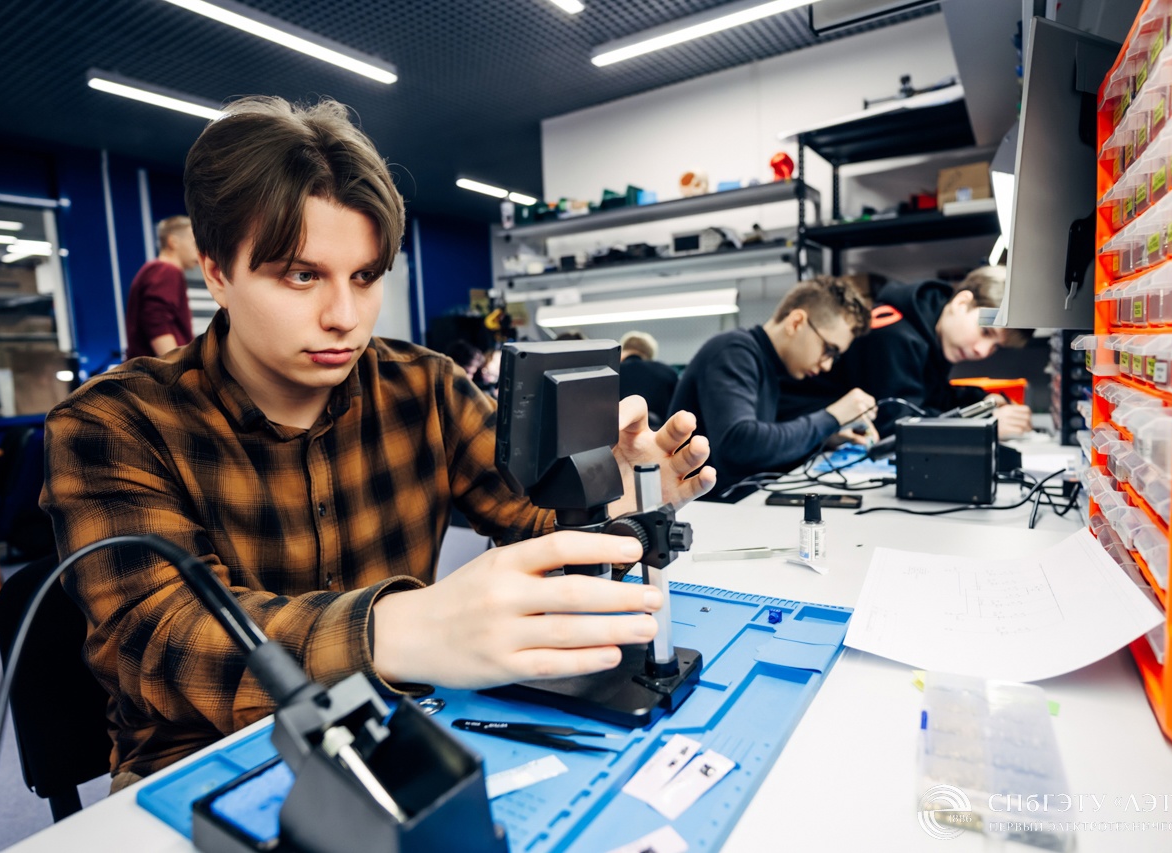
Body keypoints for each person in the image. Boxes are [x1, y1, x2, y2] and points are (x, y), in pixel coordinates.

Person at [41, 96, 716, 789]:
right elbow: (164, 642)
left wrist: (624, 494)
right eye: (301, 275)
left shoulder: (425, 385)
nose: (344, 317)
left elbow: (536, 516)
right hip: (207, 767)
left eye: (365, 277)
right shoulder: (109, 425)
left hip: (401, 727)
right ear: (216, 270)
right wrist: (403, 629)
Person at [668, 277, 876, 497]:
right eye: (829, 350)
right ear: (796, 322)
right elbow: (739, 445)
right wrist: (832, 417)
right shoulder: (733, 351)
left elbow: (766, 444)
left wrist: (826, 437)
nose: (826, 365)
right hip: (705, 514)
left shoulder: (766, 366)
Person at [814, 266, 1033, 438]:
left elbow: (932, 399)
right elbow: (897, 425)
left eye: (996, 346)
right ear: (961, 302)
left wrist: (984, 402)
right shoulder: (894, 333)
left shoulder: (932, 331)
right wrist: (984, 425)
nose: (982, 351)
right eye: (985, 331)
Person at [125, 216, 200, 359]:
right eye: (194, 243)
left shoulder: (155, 270)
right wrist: (178, 368)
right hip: (159, 375)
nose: (198, 250)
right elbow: (156, 321)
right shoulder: (166, 270)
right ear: (173, 242)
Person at [617, 331, 678, 430]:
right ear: (649, 355)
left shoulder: (613, 373)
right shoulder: (668, 373)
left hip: (617, 436)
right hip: (661, 436)